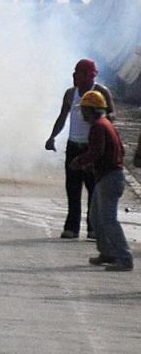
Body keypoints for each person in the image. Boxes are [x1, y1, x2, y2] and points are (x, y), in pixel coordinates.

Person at [44, 59, 114, 239]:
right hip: (74, 145)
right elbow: (62, 117)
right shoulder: (70, 94)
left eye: (80, 73)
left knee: (93, 189)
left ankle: (93, 228)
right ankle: (71, 227)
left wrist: (98, 115)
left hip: (93, 146)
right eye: (75, 72)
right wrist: (52, 136)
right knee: (72, 188)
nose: (76, 76)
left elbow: (111, 117)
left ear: (90, 75)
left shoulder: (101, 92)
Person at [69, 91, 132, 271]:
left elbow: (96, 151)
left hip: (109, 178)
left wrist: (80, 161)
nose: (81, 113)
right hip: (108, 176)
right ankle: (107, 253)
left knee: (108, 220)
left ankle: (124, 257)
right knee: (96, 218)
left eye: (83, 110)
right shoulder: (106, 124)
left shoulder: (98, 127)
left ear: (89, 110)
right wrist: (93, 165)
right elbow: (119, 150)